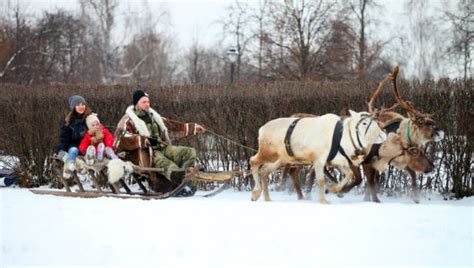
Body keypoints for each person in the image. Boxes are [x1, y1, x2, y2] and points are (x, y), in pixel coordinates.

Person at [114, 89, 206, 192]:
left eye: (148, 102)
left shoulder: (154, 117)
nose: (147, 104)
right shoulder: (128, 120)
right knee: (168, 165)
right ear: (136, 104)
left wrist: (194, 128)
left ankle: (189, 174)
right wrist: (142, 140)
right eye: (144, 102)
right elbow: (121, 140)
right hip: (147, 154)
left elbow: (172, 126)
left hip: (163, 148)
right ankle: (179, 183)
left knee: (189, 152)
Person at [55, 95, 92, 176]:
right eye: (78, 105)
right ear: (74, 107)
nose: (81, 107)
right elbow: (64, 138)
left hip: (88, 147)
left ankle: (81, 170)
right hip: (75, 146)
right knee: (73, 150)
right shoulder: (69, 121)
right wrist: (61, 150)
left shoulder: (90, 118)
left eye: (83, 104)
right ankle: (68, 168)